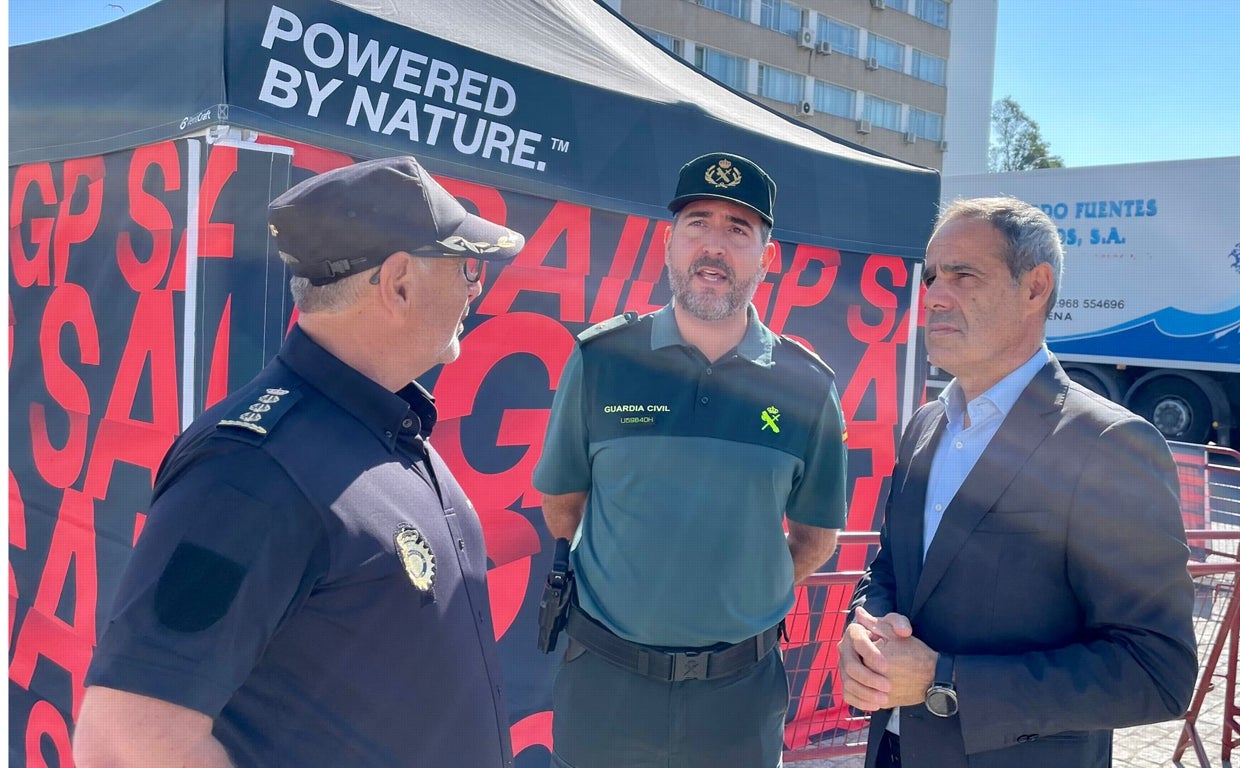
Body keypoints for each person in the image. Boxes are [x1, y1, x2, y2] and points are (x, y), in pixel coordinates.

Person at [73, 156, 524, 768]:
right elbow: (125, 742)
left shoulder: (379, 423)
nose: (475, 286)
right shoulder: (251, 471)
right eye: (465, 266)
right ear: (398, 283)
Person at [837, 196, 1198, 768]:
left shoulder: (1108, 445)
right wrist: (865, 635)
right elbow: (891, 566)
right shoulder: (925, 427)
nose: (933, 294)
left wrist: (944, 681)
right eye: (931, 276)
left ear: (1035, 288)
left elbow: (1157, 670)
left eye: (963, 275)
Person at [533, 152, 849, 768]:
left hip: (741, 698)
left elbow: (814, 540)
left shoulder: (807, 386)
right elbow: (562, 509)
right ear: (667, 244)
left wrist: (733, 600)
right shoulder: (602, 359)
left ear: (768, 257)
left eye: (738, 229)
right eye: (697, 223)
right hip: (606, 683)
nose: (714, 246)